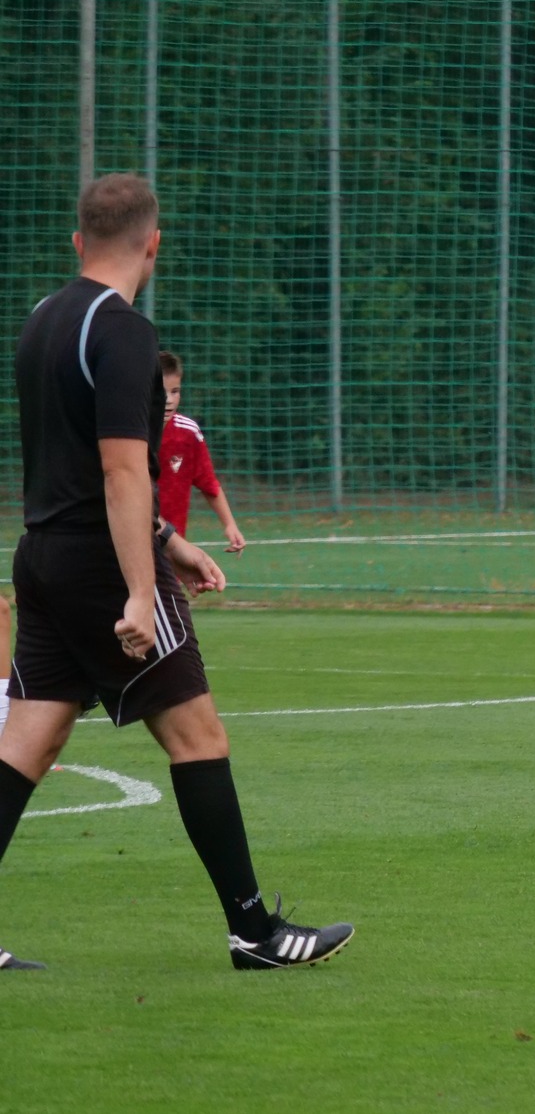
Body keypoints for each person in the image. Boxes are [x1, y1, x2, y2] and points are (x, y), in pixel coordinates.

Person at [0, 173, 353, 971]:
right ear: (153, 243)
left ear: (79, 240)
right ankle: (255, 934)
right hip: (101, 568)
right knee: (198, 736)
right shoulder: (124, 331)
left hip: (42, 557)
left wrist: (169, 537)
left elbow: (69, 469)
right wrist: (139, 586)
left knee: (26, 743)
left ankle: (254, 933)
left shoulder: (42, 318)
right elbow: (120, 470)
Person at [156, 351, 246, 552]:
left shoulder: (188, 433)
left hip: (172, 547)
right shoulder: (127, 435)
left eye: (175, 391)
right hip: (129, 541)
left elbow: (209, 483)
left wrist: (230, 525)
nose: (168, 399)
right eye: (161, 391)